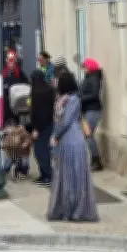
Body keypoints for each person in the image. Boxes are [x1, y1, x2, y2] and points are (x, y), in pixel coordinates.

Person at [47, 72, 99, 222]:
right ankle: (67, 209)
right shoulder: (63, 99)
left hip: (72, 139)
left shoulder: (72, 99)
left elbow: (66, 121)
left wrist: (55, 135)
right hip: (67, 138)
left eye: (58, 82)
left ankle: (74, 210)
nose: (56, 84)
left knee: (71, 175)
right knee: (67, 174)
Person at [28, 70, 55, 186]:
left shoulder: (36, 92)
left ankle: (47, 175)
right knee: (45, 151)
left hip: (40, 126)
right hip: (49, 123)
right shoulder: (49, 90)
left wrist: (36, 129)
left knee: (39, 151)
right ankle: (44, 174)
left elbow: (38, 112)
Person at [79, 58, 104, 171]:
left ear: (90, 67)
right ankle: (95, 160)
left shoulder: (94, 78)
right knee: (87, 135)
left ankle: (97, 161)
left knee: (88, 135)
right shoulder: (88, 77)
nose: (83, 69)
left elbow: (94, 94)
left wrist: (80, 98)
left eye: (85, 67)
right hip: (87, 110)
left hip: (93, 110)